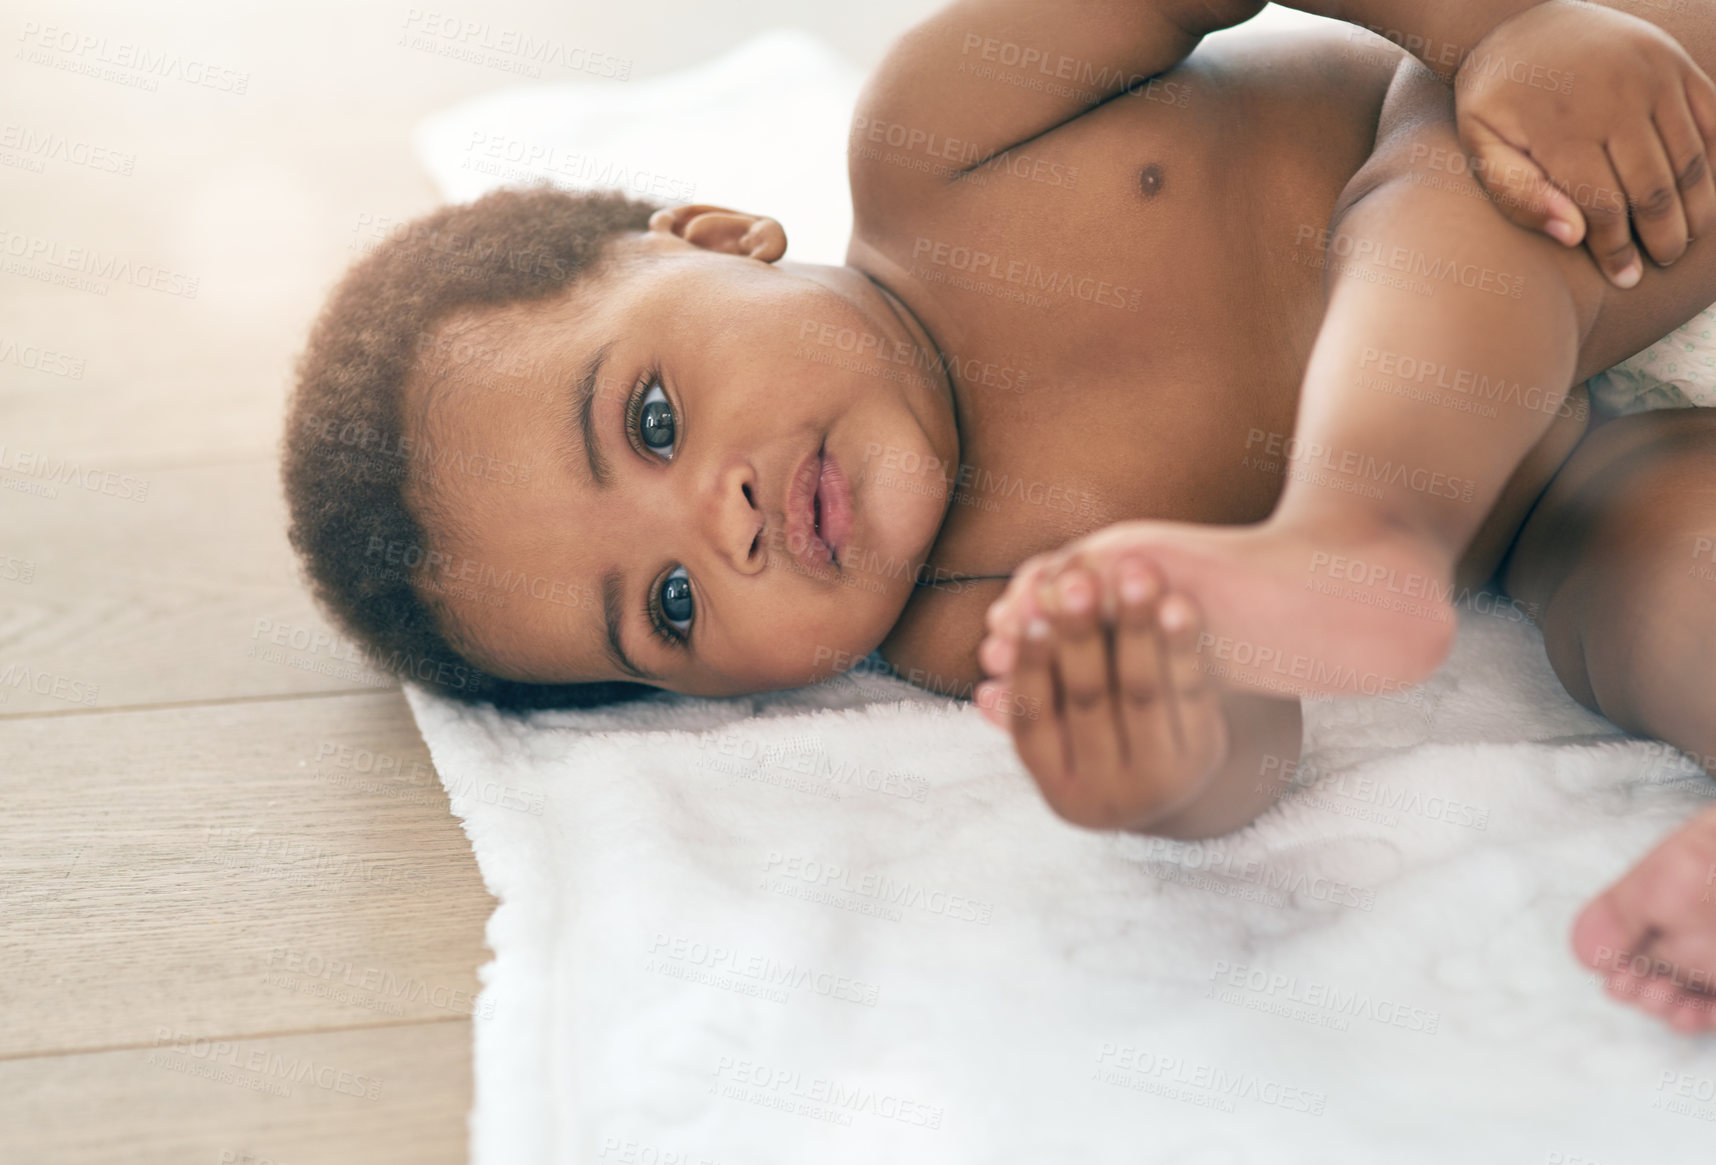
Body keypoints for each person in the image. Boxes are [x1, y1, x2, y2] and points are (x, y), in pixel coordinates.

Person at [283, 0, 1716, 1032]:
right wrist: (1158, 754)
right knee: (1646, 581)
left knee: (1430, 182)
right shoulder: (973, 617)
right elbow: (1248, 724)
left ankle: (1361, 526)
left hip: (1608, 138)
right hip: (1551, 480)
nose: (721, 526)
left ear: (721, 237)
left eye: (649, 421)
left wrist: (1496, 30)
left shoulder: (946, 137)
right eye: (667, 607)